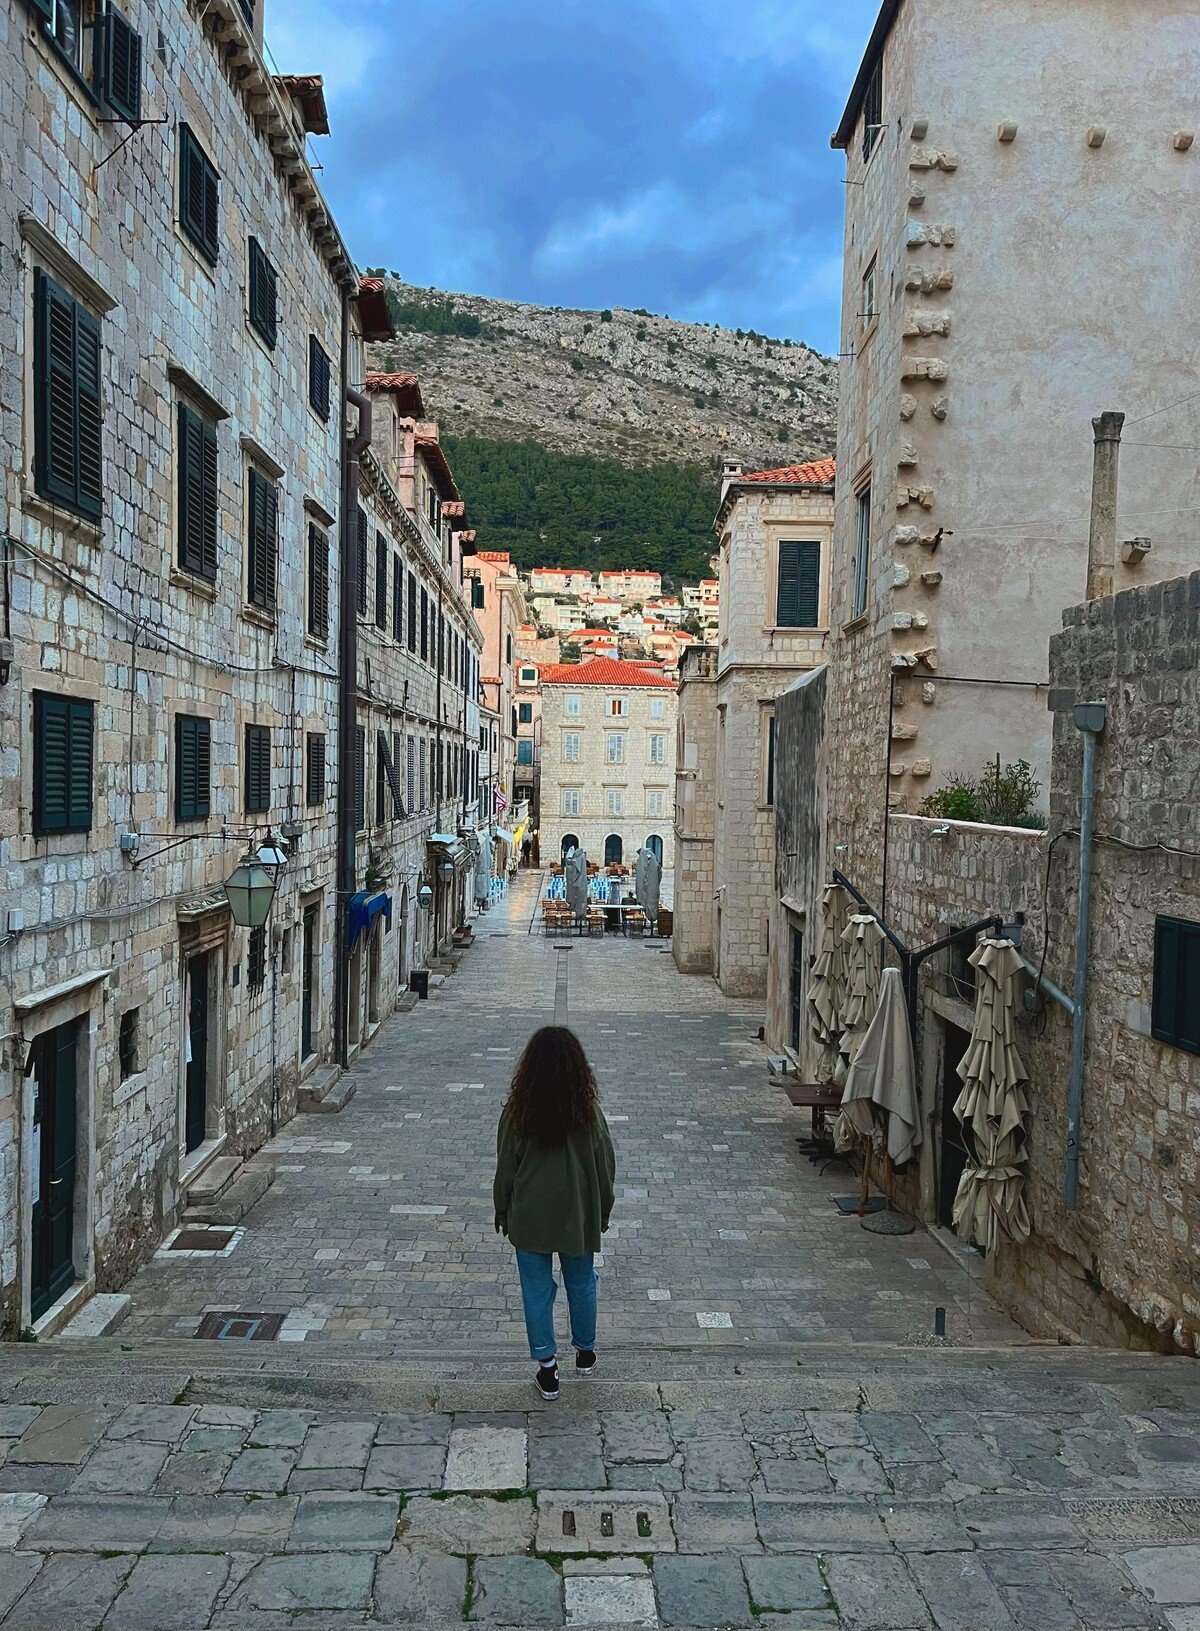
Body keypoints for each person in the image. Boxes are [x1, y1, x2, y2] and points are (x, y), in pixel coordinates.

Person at [493, 1025, 616, 1399]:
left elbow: (505, 1167)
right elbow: (605, 1164)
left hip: (531, 1214)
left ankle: (547, 1367)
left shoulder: (518, 1113)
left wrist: (502, 1208)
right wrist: (604, 1211)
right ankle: (586, 1351)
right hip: (577, 1213)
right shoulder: (588, 1114)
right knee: (581, 1282)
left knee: (536, 1290)